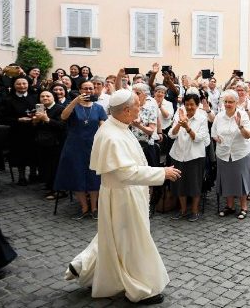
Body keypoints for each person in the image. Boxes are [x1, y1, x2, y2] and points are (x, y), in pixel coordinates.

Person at [64, 89, 182, 305]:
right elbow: (123, 173)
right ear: (127, 110)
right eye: (138, 104)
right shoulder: (111, 135)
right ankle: (141, 289)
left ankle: (84, 264)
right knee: (132, 243)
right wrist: (161, 173)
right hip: (123, 196)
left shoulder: (116, 126)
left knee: (114, 237)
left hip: (125, 194)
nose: (141, 107)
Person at [54, 80, 108, 219]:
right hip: (74, 146)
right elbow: (63, 116)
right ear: (80, 90)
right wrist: (75, 102)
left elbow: (103, 127)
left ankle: (94, 208)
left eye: (91, 88)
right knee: (77, 174)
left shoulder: (98, 108)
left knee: (93, 176)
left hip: (93, 146)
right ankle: (84, 207)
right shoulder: (73, 105)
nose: (89, 91)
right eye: (86, 88)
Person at [212, 90, 250, 220]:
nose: (228, 104)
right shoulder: (219, 116)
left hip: (240, 153)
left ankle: (244, 207)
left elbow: (249, 135)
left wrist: (240, 126)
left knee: (241, 180)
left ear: (236, 102)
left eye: (230, 102)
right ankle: (229, 206)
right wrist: (217, 139)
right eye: (225, 102)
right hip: (223, 153)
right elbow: (213, 132)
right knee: (226, 180)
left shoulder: (242, 115)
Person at [168, 93, 211, 221]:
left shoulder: (202, 118)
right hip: (178, 154)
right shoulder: (179, 114)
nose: (189, 107)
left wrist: (187, 127)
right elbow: (171, 135)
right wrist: (179, 124)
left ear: (197, 105)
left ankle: (194, 210)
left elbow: (198, 138)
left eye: (192, 104)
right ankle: (182, 210)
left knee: (195, 183)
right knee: (179, 184)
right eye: (187, 104)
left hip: (195, 156)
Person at [0, 77, 37, 185]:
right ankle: (21, 177)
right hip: (17, 131)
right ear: (14, 85)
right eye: (18, 84)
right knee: (20, 154)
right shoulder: (8, 100)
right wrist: (18, 119)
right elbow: (3, 118)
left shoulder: (34, 97)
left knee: (34, 153)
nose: (22, 86)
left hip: (33, 130)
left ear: (28, 85)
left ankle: (33, 174)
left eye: (24, 83)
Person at [32, 90, 65, 199]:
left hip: (56, 143)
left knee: (55, 167)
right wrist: (35, 122)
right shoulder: (39, 109)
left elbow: (62, 126)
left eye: (48, 96)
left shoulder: (60, 109)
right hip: (42, 142)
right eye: (42, 96)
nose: (45, 98)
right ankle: (50, 186)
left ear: (53, 97)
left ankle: (59, 191)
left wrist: (46, 119)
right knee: (45, 166)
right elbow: (36, 128)